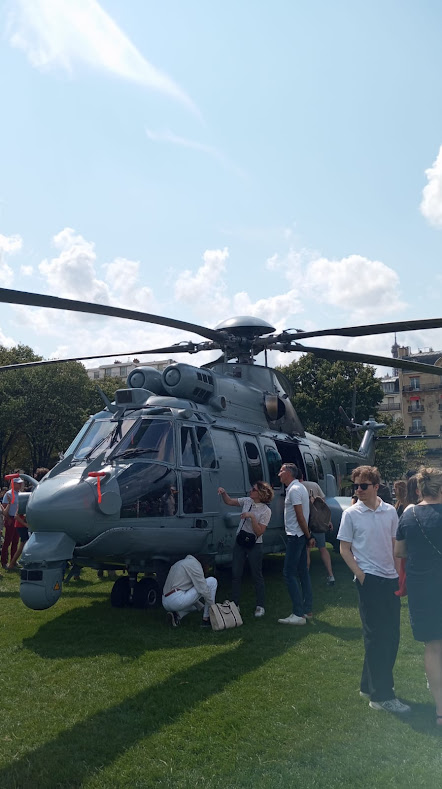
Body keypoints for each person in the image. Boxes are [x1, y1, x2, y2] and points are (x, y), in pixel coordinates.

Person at [338, 465, 410, 714]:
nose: (358, 490)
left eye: (363, 486)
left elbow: (395, 546)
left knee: (390, 637)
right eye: (355, 486)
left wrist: (400, 576)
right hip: (369, 581)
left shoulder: (390, 512)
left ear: (376, 486)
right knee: (377, 637)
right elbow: (344, 549)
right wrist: (360, 574)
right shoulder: (351, 514)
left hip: (390, 579)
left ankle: (368, 686)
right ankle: (382, 696)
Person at [394, 467, 442, 725]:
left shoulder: (408, 514)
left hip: (423, 588)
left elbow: (399, 551)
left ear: (420, 489)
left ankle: (440, 711)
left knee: (434, 647)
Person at [218, 481, 273, 617]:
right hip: (240, 542)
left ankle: (260, 605)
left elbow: (259, 532)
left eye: (253, 490)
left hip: (255, 544)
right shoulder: (247, 501)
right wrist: (224, 493)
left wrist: (252, 517)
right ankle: (235, 603)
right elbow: (230, 502)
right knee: (236, 573)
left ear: (260, 493)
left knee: (256, 575)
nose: (250, 491)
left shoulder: (266, 511)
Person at [277, 463, 314, 625]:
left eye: (282, 470)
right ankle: (307, 610)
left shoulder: (294, 490)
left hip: (295, 536)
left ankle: (298, 613)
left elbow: (300, 516)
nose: (279, 474)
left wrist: (307, 536)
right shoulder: (299, 488)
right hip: (299, 536)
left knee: (288, 573)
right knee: (303, 572)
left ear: (289, 473)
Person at [297, 471, 335, 586]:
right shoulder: (314, 485)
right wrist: (328, 520)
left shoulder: (296, 487)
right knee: (323, 548)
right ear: (303, 476)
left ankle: (305, 577)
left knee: (307, 550)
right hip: (318, 522)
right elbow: (323, 504)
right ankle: (331, 575)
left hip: (305, 522)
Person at [162, 554, 218, 627]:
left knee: (195, 607)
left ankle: (177, 615)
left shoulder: (180, 563)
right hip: (176, 599)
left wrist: (202, 607)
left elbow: (189, 591)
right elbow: (203, 589)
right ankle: (206, 619)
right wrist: (213, 607)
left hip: (165, 601)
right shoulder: (195, 566)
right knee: (212, 581)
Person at [1, 477, 24, 569]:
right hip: (10, 519)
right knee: (7, 541)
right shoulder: (8, 493)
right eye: (18, 483)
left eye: (20, 483)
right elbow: (4, 507)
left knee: (15, 541)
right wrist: (7, 518)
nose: (20, 485)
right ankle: (4, 561)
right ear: (13, 484)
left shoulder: (21, 494)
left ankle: (13, 561)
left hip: (17, 519)